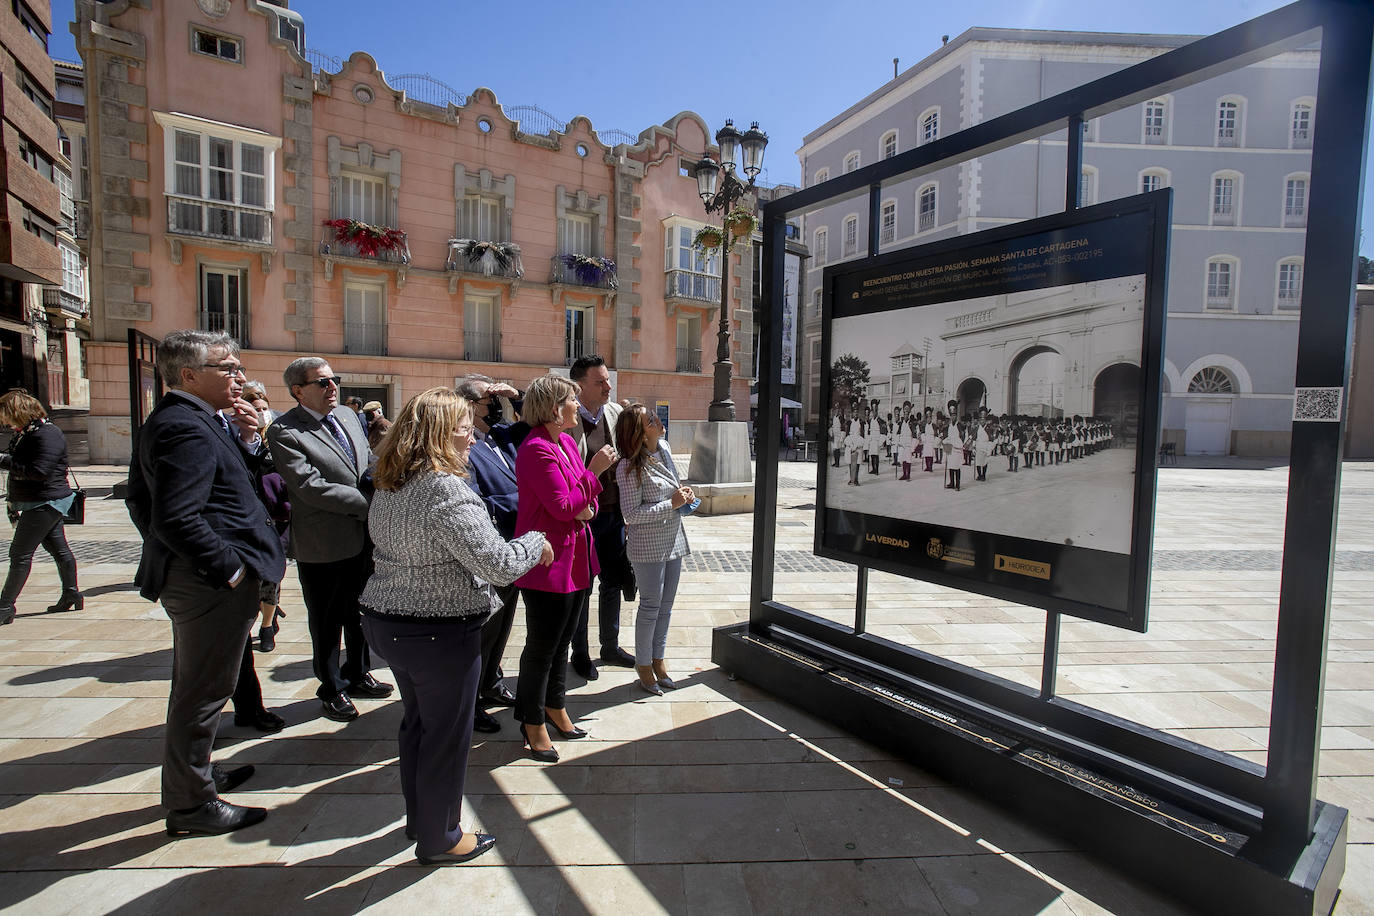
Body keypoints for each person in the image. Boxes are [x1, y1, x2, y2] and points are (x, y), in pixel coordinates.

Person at [361, 387, 551, 865]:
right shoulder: (444, 488)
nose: (473, 437)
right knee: (445, 738)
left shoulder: (391, 480)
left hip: (390, 623)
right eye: (465, 428)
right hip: (437, 633)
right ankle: (441, 838)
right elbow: (498, 564)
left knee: (419, 725)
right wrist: (535, 541)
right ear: (439, 434)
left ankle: (422, 820)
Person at [125, 329, 284, 837]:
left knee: (197, 687)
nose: (239, 376)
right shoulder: (182, 426)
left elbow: (144, 499)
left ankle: (197, 776)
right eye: (227, 368)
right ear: (189, 375)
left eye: (239, 367)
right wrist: (229, 569)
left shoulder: (194, 418)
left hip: (201, 578)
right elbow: (174, 516)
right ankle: (192, 806)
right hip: (209, 584)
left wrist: (247, 440)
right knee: (203, 693)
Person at [267, 357, 392, 723]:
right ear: (298, 390)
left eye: (333, 379)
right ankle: (331, 687)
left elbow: (368, 462)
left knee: (360, 612)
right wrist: (368, 504)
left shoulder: (349, 417)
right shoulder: (285, 431)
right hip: (323, 543)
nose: (332, 386)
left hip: (363, 538)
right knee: (326, 620)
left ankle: (358, 673)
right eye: (322, 382)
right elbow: (309, 486)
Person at [512, 374, 616, 762]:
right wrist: (595, 471)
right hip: (548, 564)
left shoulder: (567, 443)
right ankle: (531, 720)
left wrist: (585, 501)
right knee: (542, 647)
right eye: (572, 399)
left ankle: (555, 706)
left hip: (576, 561)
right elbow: (562, 505)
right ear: (555, 408)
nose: (577, 404)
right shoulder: (536, 448)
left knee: (563, 642)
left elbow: (581, 500)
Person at [455, 373, 530, 734]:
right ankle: (469, 703)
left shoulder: (501, 435)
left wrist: (516, 396)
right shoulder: (465, 447)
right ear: (471, 407)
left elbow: (531, 423)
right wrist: (520, 505)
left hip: (514, 549)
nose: (497, 407)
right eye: (491, 401)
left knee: (502, 625)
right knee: (483, 632)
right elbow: (478, 500)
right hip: (492, 550)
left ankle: (491, 682)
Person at [614, 404, 693, 696]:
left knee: (666, 606)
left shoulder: (665, 449)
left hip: (673, 539)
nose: (658, 420)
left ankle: (659, 660)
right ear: (639, 432)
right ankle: (644, 665)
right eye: (651, 419)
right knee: (650, 606)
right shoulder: (627, 467)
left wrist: (683, 494)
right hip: (648, 546)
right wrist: (671, 504)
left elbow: (673, 486)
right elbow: (631, 514)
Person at [566, 355, 634, 680]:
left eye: (608, 380)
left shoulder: (614, 412)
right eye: (600, 382)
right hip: (585, 518)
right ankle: (580, 652)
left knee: (613, 583)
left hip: (614, 515)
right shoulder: (567, 419)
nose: (608, 386)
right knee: (583, 587)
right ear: (580, 387)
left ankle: (610, 646)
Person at [0, 390, 80, 622]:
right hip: (40, 500)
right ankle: (71, 593)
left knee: (20, 554)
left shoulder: (47, 434)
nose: (4, 421)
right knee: (58, 549)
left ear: (19, 412)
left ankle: (5, 607)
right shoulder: (28, 433)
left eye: (5, 415)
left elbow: (39, 471)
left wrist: (3, 461)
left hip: (46, 501)